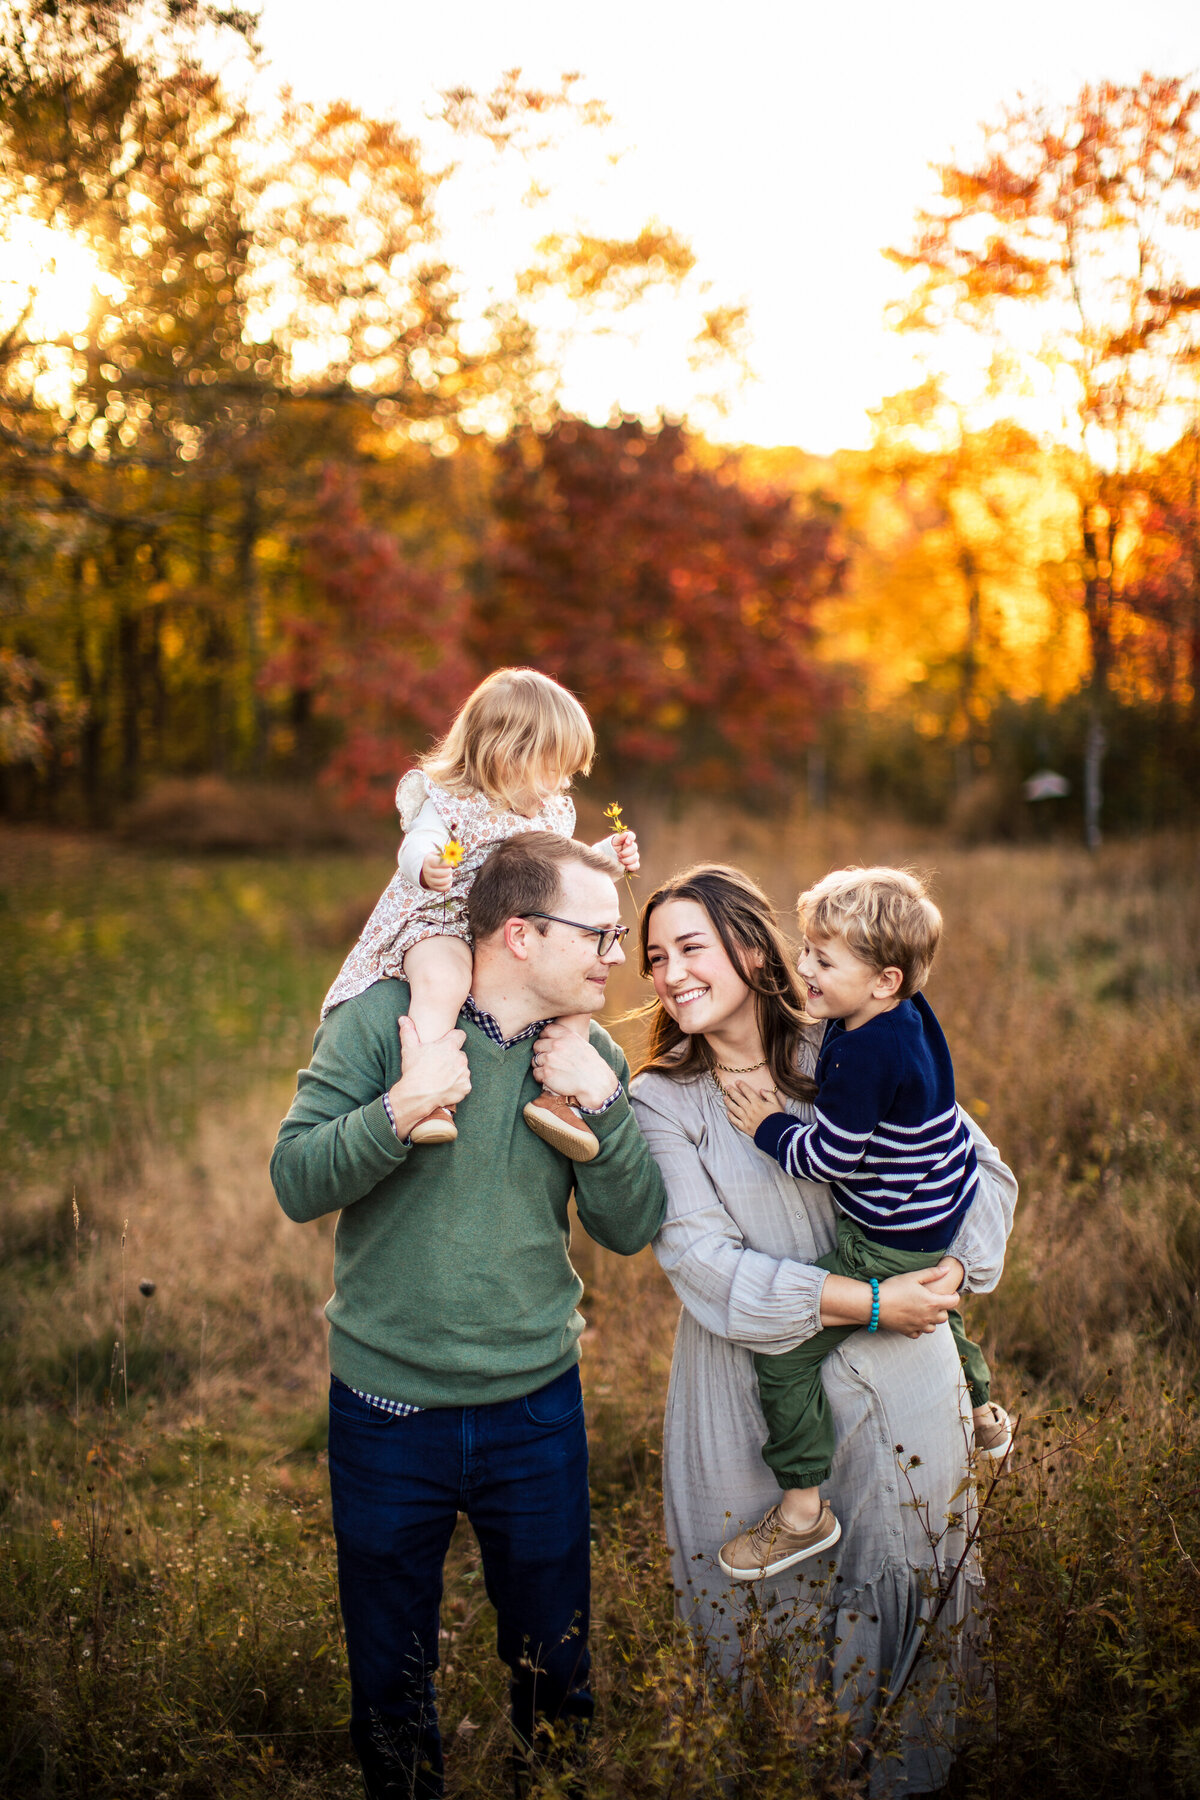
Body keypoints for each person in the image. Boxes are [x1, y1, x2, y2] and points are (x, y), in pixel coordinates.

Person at [271, 833, 667, 1799]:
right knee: (392, 1686)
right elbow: (294, 1179)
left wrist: (604, 1104)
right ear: (521, 934)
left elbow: (630, 1226)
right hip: (386, 1408)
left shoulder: (587, 1048)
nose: (619, 954)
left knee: (555, 1673)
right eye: (601, 932)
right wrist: (402, 1107)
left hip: (535, 1406)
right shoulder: (383, 1023)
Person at [628, 864, 1017, 1793]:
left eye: (692, 947)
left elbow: (979, 1170)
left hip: (898, 1381)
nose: (670, 972)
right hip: (749, 1383)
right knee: (764, 1631)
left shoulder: (850, 1041)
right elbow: (700, 1261)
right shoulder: (660, 1100)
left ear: (753, 951)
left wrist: (950, 1269)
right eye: (653, 957)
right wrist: (876, 1302)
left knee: (902, 1585)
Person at [718, 866, 1011, 1583]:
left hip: (884, 1233)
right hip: (937, 1212)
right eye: (807, 951)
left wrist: (767, 1125)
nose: (805, 969)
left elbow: (828, 1158)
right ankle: (981, 1408)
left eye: (823, 960)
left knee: (784, 1356)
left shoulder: (862, 1050)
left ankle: (800, 1511)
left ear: (883, 980)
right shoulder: (907, 1013)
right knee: (938, 1302)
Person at [322, 666, 639, 1158]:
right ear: (506, 752)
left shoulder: (550, 810)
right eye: (551, 766)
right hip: (441, 918)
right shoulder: (454, 801)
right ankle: (430, 1091)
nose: (559, 783)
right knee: (444, 981)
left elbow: (560, 880)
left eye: (566, 772)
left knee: (576, 995)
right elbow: (420, 843)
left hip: (499, 930)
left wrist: (606, 858)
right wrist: (425, 865)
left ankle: (559, 1098)